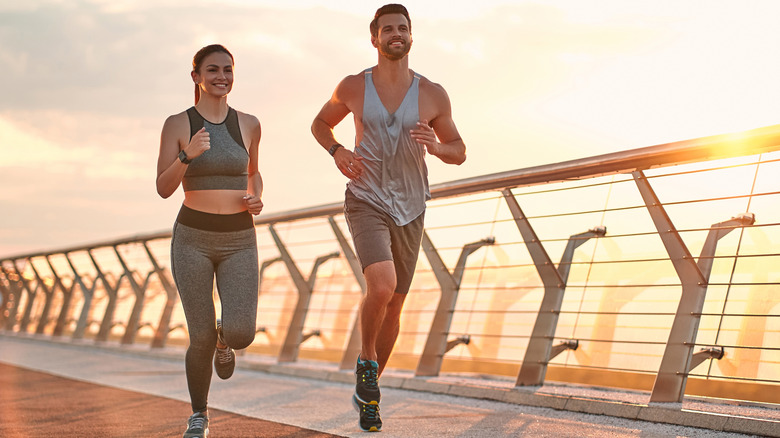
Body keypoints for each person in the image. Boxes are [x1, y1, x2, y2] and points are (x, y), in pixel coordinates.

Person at [311, 4, 466, 432]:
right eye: (387, 29)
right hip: (366, 199)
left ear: (411, 36)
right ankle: (366, 362)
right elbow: (320, 124)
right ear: (374, 38)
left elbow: (459, 150)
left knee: (395, 304)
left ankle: (369, 394)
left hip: (411, 208)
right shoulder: (352, 87)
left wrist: (436, 146)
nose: (396, 34)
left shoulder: (433, 94)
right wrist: (337, 150)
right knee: (382, 285)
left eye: (403, 28)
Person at [156, 44, 264, 438]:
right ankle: (199, 415)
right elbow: (163, 188)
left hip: (239, 239)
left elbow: (254, 173)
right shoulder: (178, 123)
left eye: (228, 70)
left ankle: (226, 339)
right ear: (196, 76)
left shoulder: (249, 123)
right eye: (213, 70)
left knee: (242, 333)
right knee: (198, 335)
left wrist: (256, 196)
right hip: (192, 240)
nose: (222, 76)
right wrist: (186, 156)